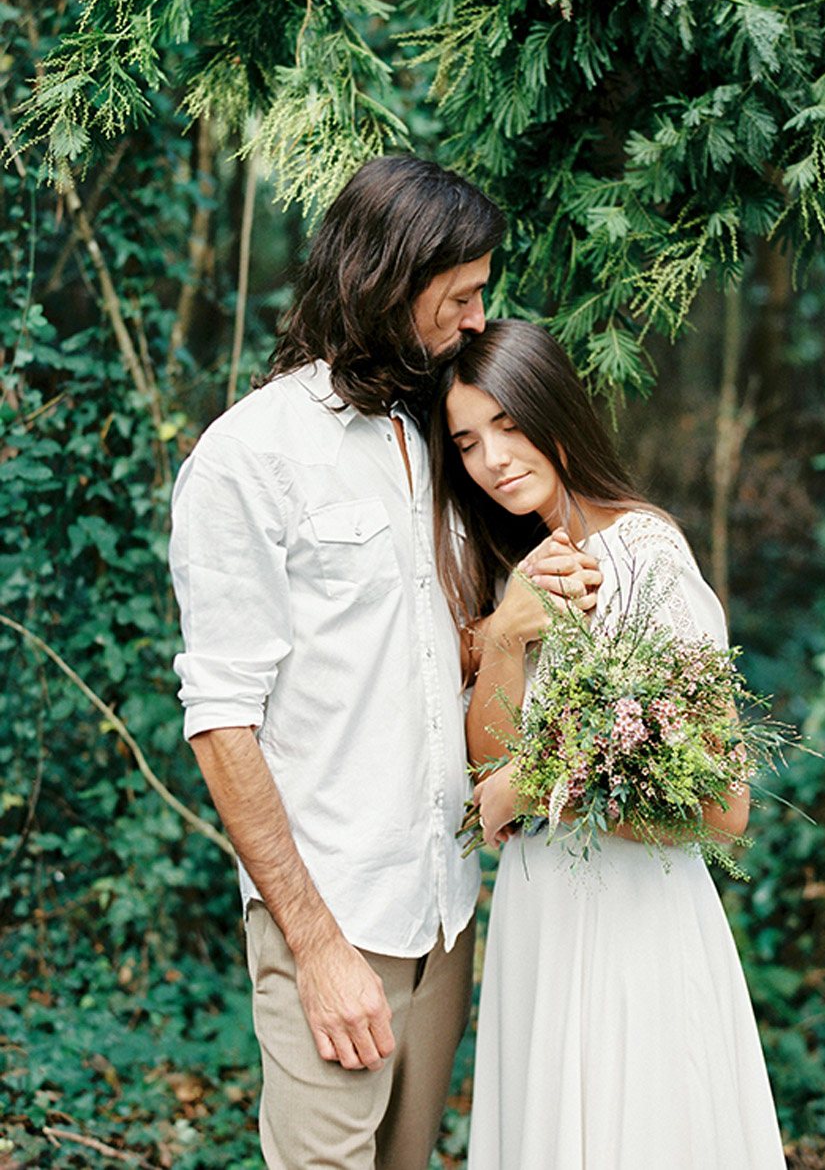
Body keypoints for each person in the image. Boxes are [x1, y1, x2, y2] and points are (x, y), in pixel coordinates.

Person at [168, 157, 598, 1170]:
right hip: (334, 913)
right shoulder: (247, 459)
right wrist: (316, 950)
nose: (476, 321)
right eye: (458, 298)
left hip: (443, 906)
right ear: (382, 285)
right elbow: (222, 723)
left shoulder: (433, 439)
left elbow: (434, 664)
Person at [430, 319, 787, 1169]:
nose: (493, 459)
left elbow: (723, 807)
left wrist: (542, 790)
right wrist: (510, 634)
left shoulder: (646, 554)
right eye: (468, 442)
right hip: (540, 917)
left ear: (555, 411)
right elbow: (489, 772)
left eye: (509, 425)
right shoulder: (518, 564)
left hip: (632, 924)